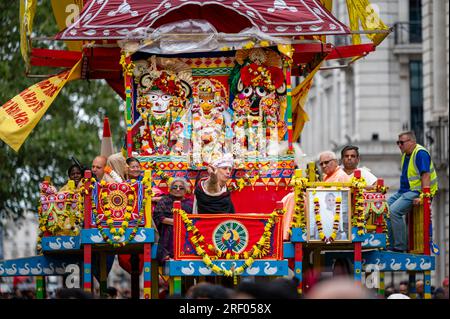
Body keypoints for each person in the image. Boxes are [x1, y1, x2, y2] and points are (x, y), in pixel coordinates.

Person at [387, 131, 438, 252]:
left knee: (394, 211)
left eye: (402, 142)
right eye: (397, 142)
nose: (399, 145)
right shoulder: (406, 154)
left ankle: (400, 247)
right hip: (405, 191)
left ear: (412, 142)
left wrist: (423, 196)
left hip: (417, 191)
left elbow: (426, 175)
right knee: (384, 208)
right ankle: (390, 245)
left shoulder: (420, 153)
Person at [153, 177, 193, 263]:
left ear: (185, 190)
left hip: (186, 233)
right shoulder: (164, 201)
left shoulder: (190, 203)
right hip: (168, 232)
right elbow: (158, 217)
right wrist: (177, 222)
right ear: (170, 190)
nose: (178, 189)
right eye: (175, 187)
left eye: (181, 187)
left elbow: (194, 218)